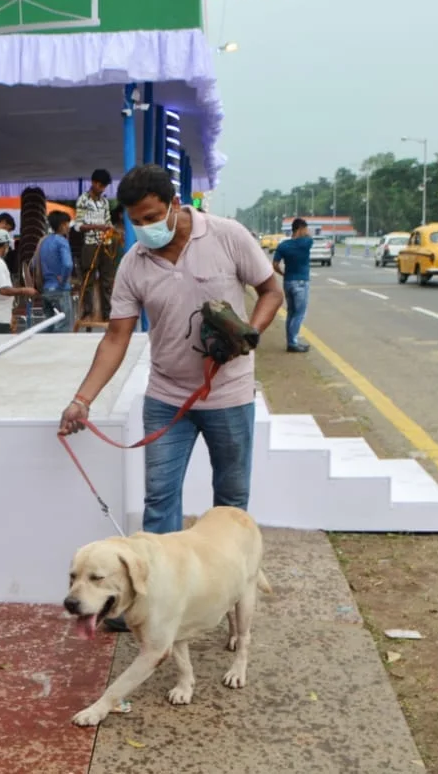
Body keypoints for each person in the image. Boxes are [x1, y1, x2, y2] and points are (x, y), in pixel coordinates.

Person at [58, 164, 283, 631]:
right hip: (167, 398)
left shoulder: (226, 236)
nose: (145, 228)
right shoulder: (134, 263)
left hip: (229, 394)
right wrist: (82, 400)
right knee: (160, 502)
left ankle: (226, 602)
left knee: (230, 507)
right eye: (136, 221)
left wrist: (249, 334)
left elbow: (271, 289)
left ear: (175, 206)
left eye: (152, 217)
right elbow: (116, 338)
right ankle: (152, 606)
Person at [74, 168, 116, 322]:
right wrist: (98, 227)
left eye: (104, 186)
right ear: (93, 183)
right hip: (90, 244)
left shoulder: (105, 201)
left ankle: (108, 313)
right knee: (88, 279)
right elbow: (78, 226)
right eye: (100, 185)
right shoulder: (82, 200)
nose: (102, 189)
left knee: (107, 280)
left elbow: (108, 221)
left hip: (105, 243)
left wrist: (111, 229)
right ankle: (87, 312)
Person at [272, 218, 313, 353]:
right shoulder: (307, 242)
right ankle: (293, 342)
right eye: (305, 229)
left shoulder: (283, 245)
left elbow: (275, 265)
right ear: (300, 229)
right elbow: (309, 236)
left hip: (288, 281)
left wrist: (283, 274)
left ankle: (291, 341)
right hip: (301, 281)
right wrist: (306, 233)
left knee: (291, 312)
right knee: (299, 313)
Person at [34, 210, 75, 332]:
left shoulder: (44, 241)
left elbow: (35, 265)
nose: (69, 227)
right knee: (63, 326)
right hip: (60, 290)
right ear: (62, 225)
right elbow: (68, 264)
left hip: (46, 289)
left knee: (49, 326)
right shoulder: (62, 241)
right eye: (68, 224)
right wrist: (63, 280)